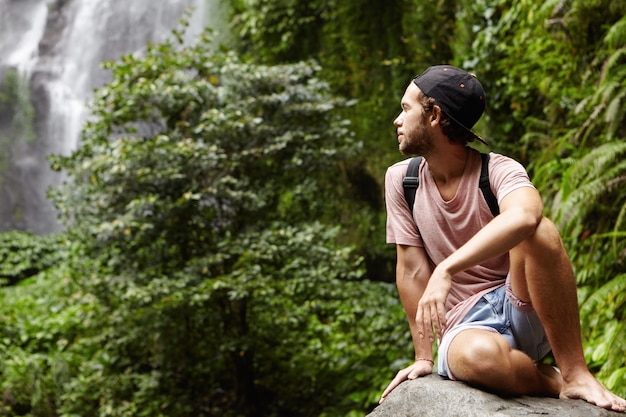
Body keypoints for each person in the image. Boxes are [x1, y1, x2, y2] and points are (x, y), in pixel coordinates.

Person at [379, 64, 626, 412]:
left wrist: (447, 269)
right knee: (479, 360)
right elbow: (411, 270)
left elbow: (527, 215)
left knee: (538, 229)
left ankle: (577, 373)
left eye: (406, 108)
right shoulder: (402, 182)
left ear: (434, 115)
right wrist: (423, 356)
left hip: (521, 300)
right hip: (467, 326)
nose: (397, 120)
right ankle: (552, 380)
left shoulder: (497, 170)